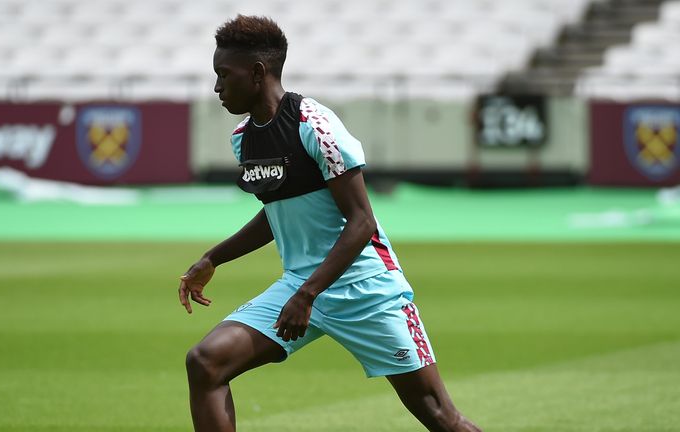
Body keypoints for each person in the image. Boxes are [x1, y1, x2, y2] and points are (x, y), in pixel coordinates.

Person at [179, 14, 482, 432]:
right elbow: (277, 212)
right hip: (301, 286)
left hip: (366, 290)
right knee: (205, 363)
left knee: (440, 417)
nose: (216, 87)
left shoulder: (316, 126)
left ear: (257, 73)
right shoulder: (243, 137)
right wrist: (213, 258)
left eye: (223, 75)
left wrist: (307, 294)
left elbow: (362, 223)